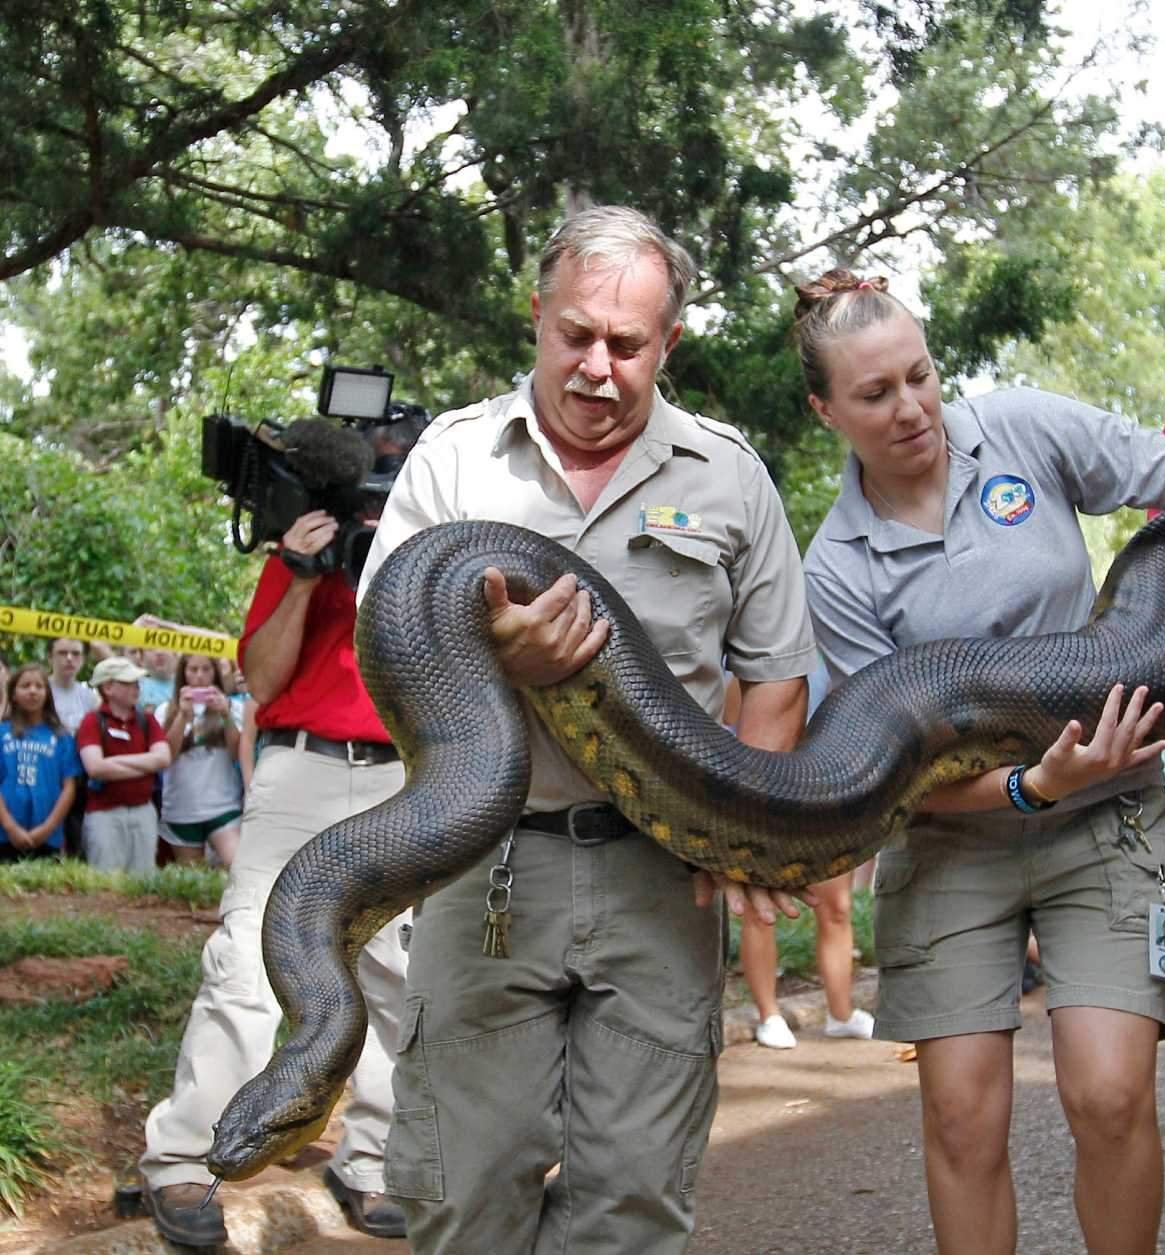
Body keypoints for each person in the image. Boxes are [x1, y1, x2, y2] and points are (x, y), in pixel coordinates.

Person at [360, 205, 816, 1254]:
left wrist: (739, 820)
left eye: (627, 343)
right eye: (576, 335)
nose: (598, 366)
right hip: (484, 864)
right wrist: (496, 660)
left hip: (659, 873)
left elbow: (775, 678)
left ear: (669, 342)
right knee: (463, 1194)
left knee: (634, 1202)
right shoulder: (455, 460)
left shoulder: (728, 474)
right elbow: (388, 649)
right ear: (537, 316)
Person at [798, 267, 1165, 1255]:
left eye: (919, 376)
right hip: (953, 838)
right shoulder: (834, 565)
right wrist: (1030, 782)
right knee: (963, 1118)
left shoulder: (1018, 426)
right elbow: (893, 774)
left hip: (1111, 818)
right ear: (825, 409)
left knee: (1106, 1094)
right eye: (874, 394)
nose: (911, 407)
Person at [137, 508, 413, 1248]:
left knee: (401, 971)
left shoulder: (428, 529)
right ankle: (186, 1158)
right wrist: (299, 571)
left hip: (402, 772)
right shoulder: (297, 550)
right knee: (246, 960)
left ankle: (373, 1162)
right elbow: (261, 678)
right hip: (301, 763)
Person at [743, 655, 874, 1050]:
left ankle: (841, 1013)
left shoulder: (833, 641)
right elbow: (736, 710)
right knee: (759, 907)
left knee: (835, 907)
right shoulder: (759, 642)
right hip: (765, 787)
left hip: (825, 790)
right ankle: (769, 1014)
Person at [75, 656, 170, 875]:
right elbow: (95, 768)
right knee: (106, 883)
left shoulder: (147, 720)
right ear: (108, 687)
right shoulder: (92, 721)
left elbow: (163, 759)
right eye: (128, 683)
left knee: (143, 882)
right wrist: (145, 763)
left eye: (137, 682)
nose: (137, 688)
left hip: (144, 811)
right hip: (104, 815)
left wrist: (114, 764)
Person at [155, 653, 245, 867]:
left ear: (215, 673)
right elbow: (166, 757)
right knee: (192, 879)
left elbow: (237, 754)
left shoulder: (233, 707)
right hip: (181, 808)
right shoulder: (165, 710)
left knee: (235, 865)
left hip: (223, 805)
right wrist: (182, 717)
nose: (199, 676)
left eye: (206, 669)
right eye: (193, 670)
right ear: (183, 674)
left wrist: (226, 715)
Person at [2, 662, 83, 861]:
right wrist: (11, 827)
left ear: (47, 693)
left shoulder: (62, 737)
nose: (33, 691)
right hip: (5, 834)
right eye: (25, 686)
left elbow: (69, 787)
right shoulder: (2, 732)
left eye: (39, 686)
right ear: (13, 694)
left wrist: (48, 828)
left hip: (48, 835)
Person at [47, 638, 95, 734]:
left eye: (76, 653)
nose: (69, 658)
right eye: (62, 653)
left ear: (83, 659)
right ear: (50, 657)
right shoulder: (39, 691)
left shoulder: (90, 697)